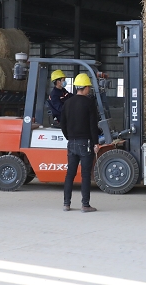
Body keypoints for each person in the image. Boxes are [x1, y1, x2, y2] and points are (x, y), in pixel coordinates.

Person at [60, 73, 99, 213]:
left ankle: (66, 204)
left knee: (70, 173)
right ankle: (85, 205)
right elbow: (93, 126)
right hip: (85, 143)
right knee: (85, 175)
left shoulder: (67, 103)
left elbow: (62, 124)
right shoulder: (89, 103)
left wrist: (69, 137)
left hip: (71, 142)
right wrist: (96, 143)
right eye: (89, 87)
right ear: (86, 87)